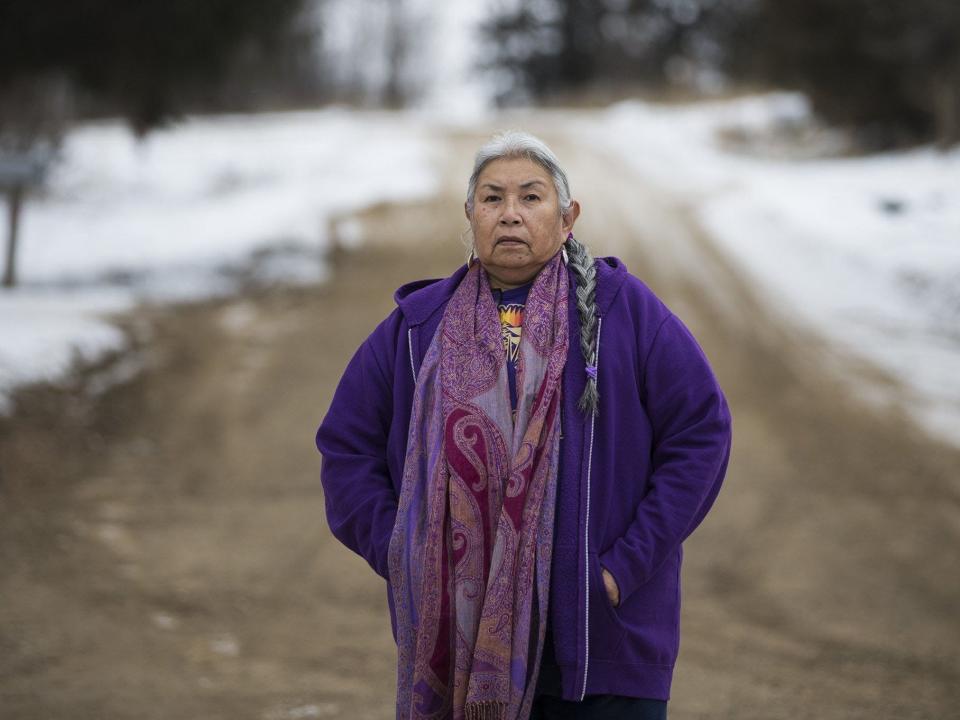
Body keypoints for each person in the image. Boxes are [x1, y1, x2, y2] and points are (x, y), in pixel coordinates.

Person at [315, 130, 733, 720]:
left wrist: (620, 570)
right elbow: (345, 446)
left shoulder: (625, 312)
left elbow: (701, 434)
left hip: (602, 644)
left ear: (568, 217)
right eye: (492, 199)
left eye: (531, 197)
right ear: (470, 215)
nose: (510, 213)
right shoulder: (418, 329)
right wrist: (402, 548)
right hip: (456, 645)